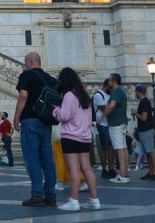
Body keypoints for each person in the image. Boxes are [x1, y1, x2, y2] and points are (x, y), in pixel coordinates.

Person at [51, 67, 101, 212]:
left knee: (73, 168)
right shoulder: (84, 96)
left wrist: (55, 109)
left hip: (71, 137)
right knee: (87, 168)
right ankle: (94, 200)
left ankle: (73, 200)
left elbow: (64, 116)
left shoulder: (68, 96)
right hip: (85, 137)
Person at [14, 51, 57, 207]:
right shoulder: (50, 79)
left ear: (30, 62)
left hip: (30, 121)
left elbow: (23, 96)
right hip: (46, 122)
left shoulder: (26, 76)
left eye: (26, 62)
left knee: (32, 159)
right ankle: (51, 195)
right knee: (47, 160)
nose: (25, 65)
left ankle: (37, 195)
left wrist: (16, 116)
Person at [103, 73, 130, 183]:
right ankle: (124, 173)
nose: (108, 82)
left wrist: (103, 115)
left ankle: (123, 176)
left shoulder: (116, 92)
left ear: (114, 81)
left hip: (116, 124)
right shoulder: (121, 92)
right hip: (121, 122)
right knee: (123, 148)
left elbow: (112, 105)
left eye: (109, 80)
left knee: (119, 149)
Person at [134, 85, 155, 181]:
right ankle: (151, 172)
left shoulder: (144, 102)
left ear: (138, 92)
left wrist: (135, 112)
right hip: (144, 130)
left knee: (151, 152)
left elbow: (144, 118)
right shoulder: (143, 102)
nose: (135, 93)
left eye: (135, 91)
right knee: (148, 152)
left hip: (146, 130)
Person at [92, 77, 115, 179]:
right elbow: (105, 109)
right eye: (110, 87)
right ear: (105, 86)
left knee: (111, 147)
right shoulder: (98, 95)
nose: (111, 89)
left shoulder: (110, 95)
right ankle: (104, 169)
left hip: (110, 123)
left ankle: (111, 168)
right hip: (102, 124)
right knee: (104, 147)